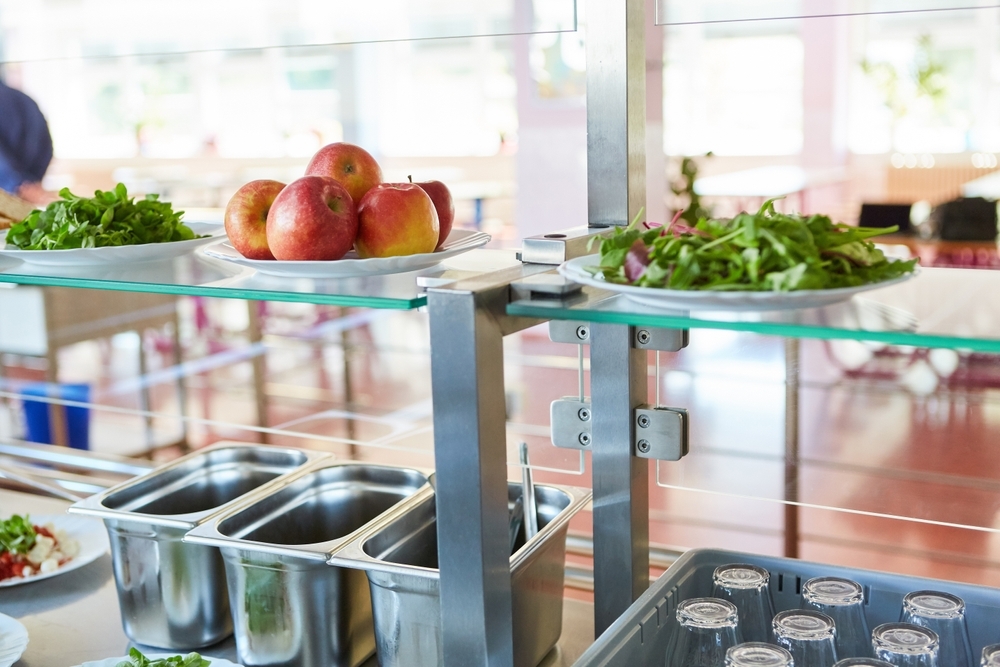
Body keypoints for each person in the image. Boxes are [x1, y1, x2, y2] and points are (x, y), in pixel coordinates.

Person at [0, 77, 53, 205]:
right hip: (27, 197)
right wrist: (30, 183)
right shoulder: (24, 100)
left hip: (15, 194)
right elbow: (46, 149)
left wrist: (17, 184)